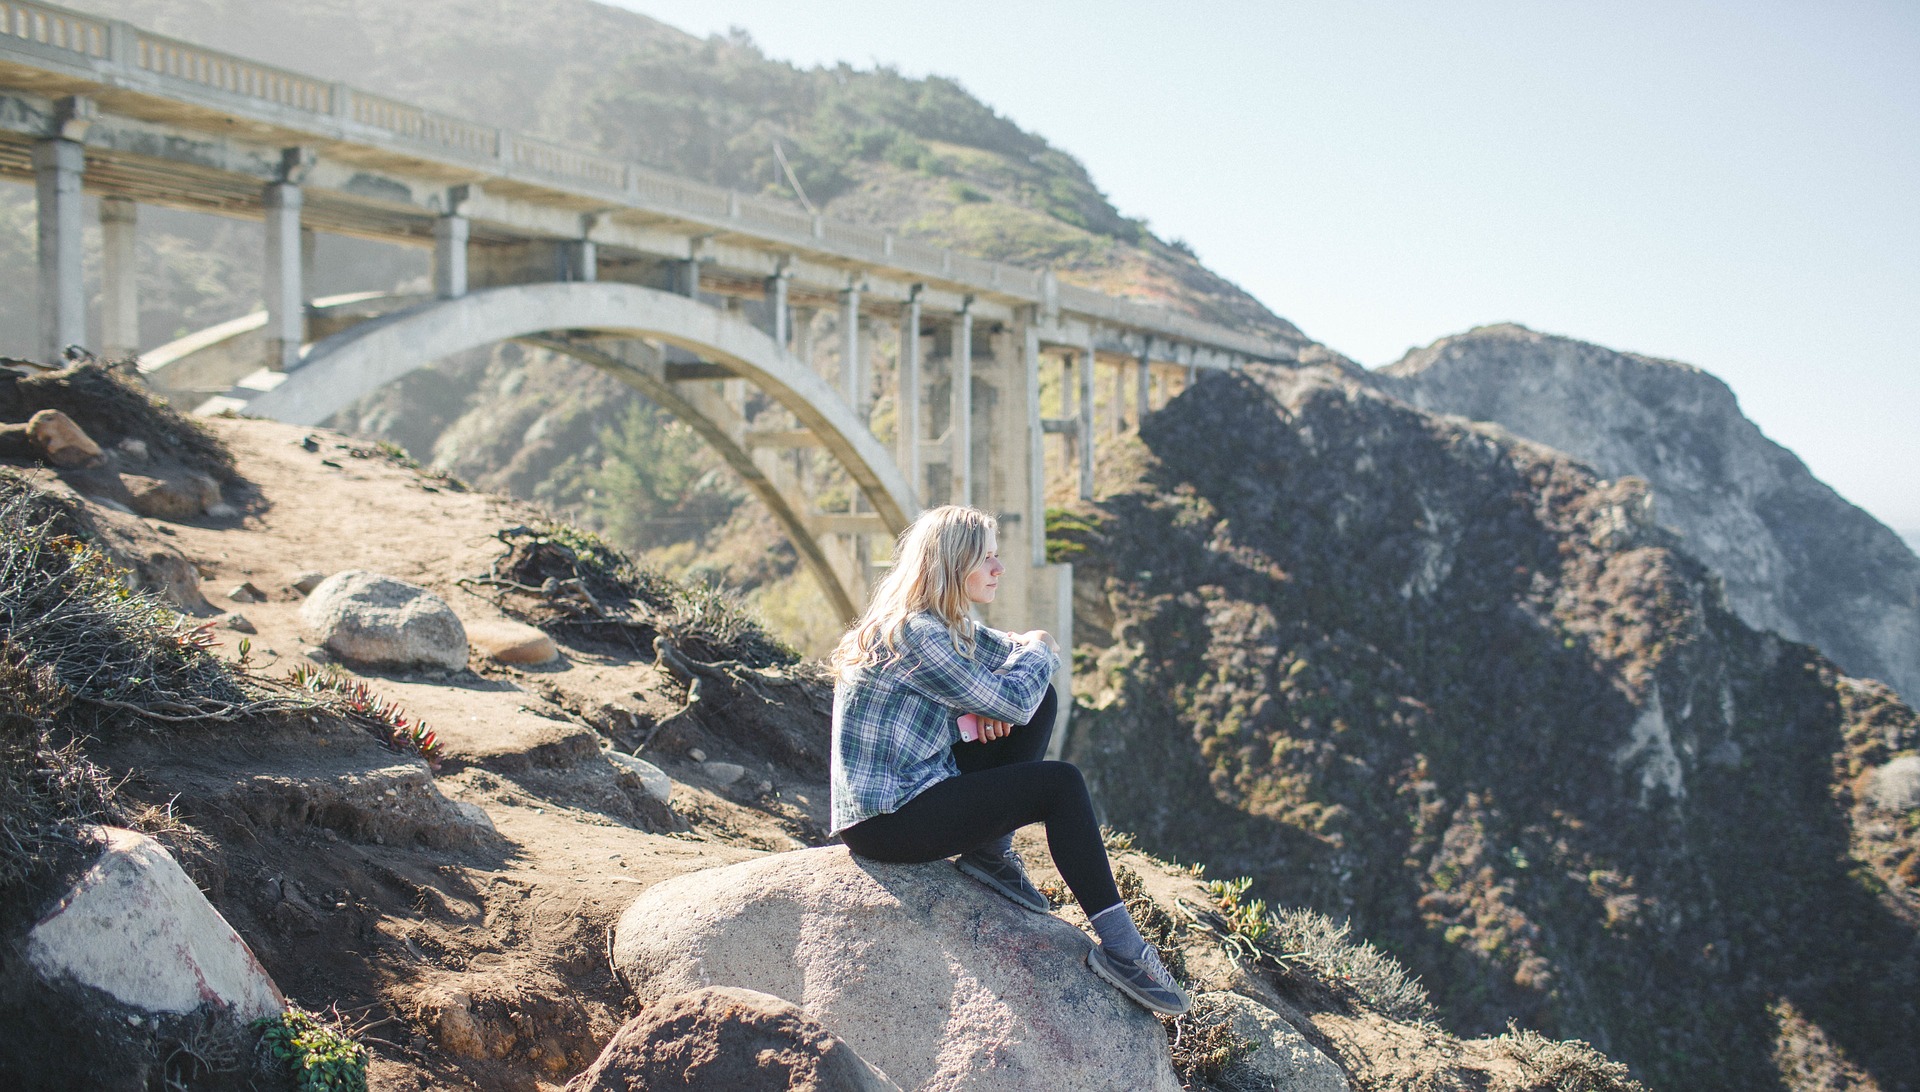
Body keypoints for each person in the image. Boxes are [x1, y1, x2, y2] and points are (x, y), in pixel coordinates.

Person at [828, 504, 1191, 1016]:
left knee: (1040, 696)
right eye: (988, 560)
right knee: (1060, 784)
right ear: (953, 566)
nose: (999, 570)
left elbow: (1018, 669)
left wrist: (1024, 662)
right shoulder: (916, 635)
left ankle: (989, 854)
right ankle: (1126, 952)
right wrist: (1036, 652)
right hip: (888, 821)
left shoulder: (942, 624)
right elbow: (1017, 692)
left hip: (920, 787)